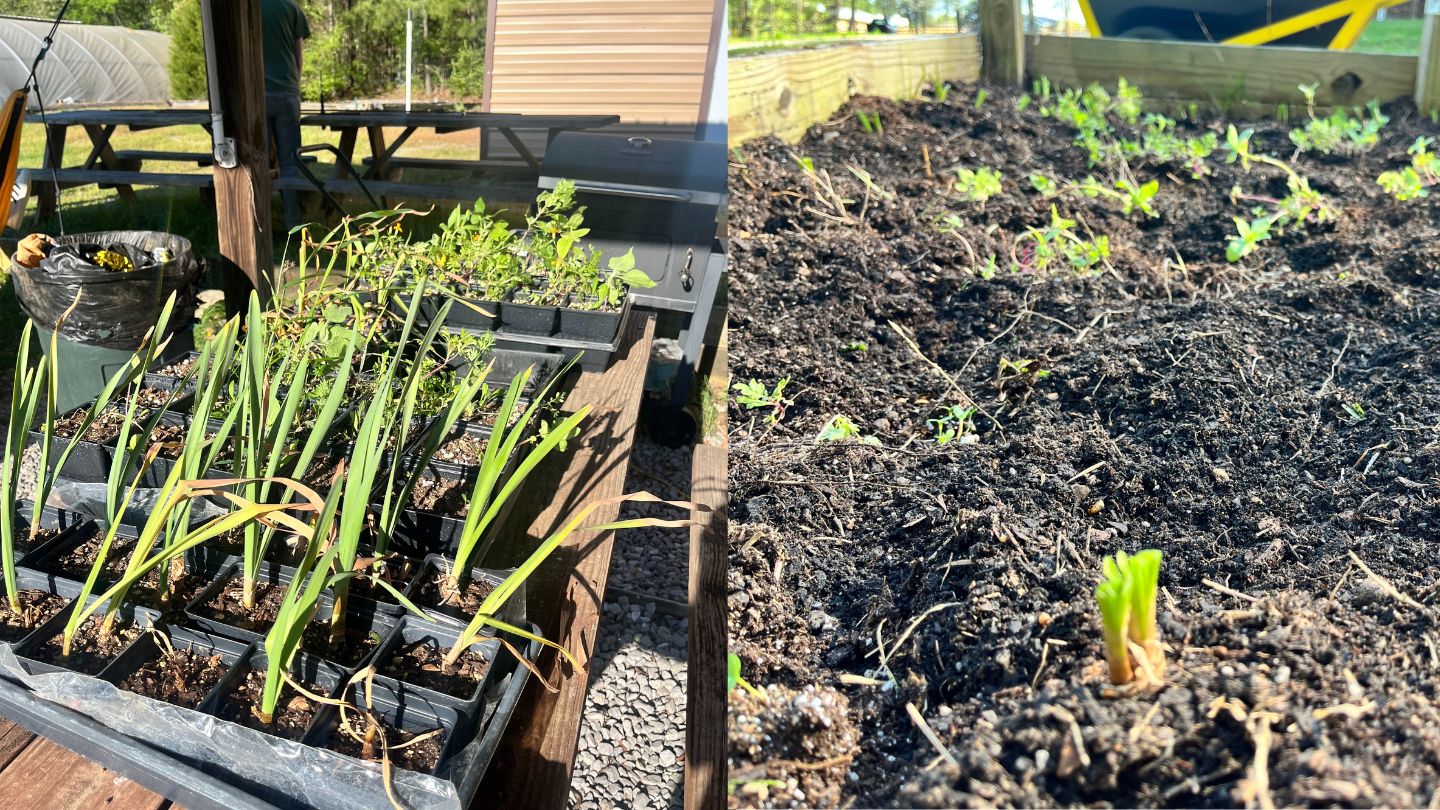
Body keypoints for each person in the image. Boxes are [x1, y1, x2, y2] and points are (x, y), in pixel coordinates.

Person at [260, 0, 311, 229]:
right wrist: (293, 85)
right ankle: (293, 223)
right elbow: (298, 56)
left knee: (255, 161)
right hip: (287, 94)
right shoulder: (292, 9)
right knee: (290, 162)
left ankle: (259, 223)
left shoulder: (247, 8)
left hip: (257, 96)